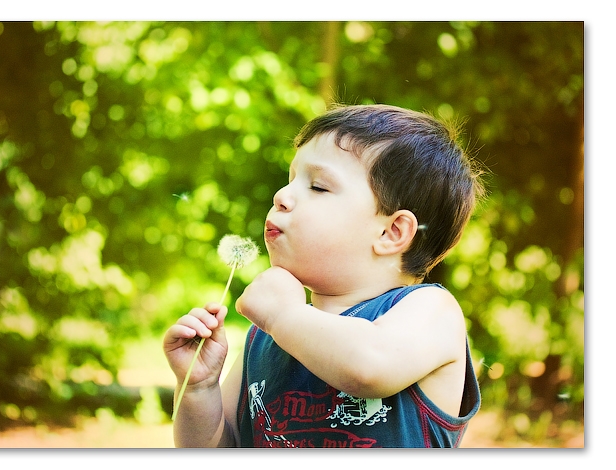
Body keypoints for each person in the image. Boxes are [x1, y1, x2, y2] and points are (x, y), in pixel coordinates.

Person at [162, 103, 485, 448]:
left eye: (317, 187)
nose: (281, 196)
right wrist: (199, 388)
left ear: (391, 232)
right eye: (290, 180)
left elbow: (369, 366)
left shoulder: (431, 310)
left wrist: (282, 316)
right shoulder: (264, 339)